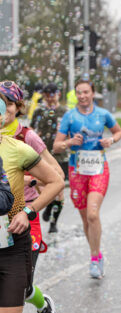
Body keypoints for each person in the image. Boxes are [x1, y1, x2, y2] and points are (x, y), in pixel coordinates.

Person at [0, 90, 64, 313]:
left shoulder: (19, 146)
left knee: (24, 289)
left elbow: (56, 180)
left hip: (11, 243)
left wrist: (27, 211)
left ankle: (41, 303)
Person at [53, 79, 121, 279]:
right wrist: (69, 142)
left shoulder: (103, 114)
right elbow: (56, 146)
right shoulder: (69, 117)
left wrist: (110, 140)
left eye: (86, 92)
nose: (82, 96)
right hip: (77, 170)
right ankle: (97, 252)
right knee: (86, 218)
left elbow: (117, 132)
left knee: (93, 214)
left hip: (99, 168)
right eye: (79, 93)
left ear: (93, 93)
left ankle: (94, 259)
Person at [31, 83, 68, 232]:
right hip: (42, 155)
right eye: (46, 94)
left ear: (58, 94)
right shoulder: (39, 110)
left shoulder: (64, 111)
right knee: (42, 187)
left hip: (60, 156)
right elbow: (32, 129)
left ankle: (53, 222)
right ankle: (48, 204)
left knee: (59, 191)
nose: (49, 97)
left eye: (52, 94)